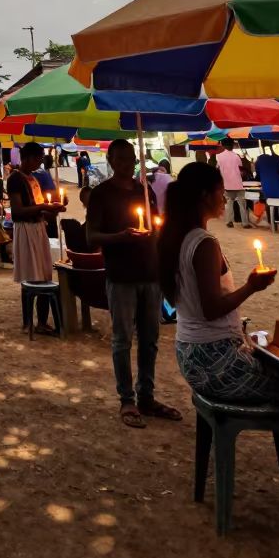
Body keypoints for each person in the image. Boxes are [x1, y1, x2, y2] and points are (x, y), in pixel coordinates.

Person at [158, 161, 279, 403]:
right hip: (215, 359)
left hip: (189, 352)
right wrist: (251, 287)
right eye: (221, 192)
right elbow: (211, 310)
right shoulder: (203, 243)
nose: (225, 198)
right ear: (206, 196)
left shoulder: (173, 237)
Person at [86, 139, 181, 429]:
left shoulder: (145, 190)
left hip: (149, 273)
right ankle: (126, 398)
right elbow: (92, 238)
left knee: (150, 340)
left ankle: (147, 396)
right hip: (122, 275)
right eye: (122, 159)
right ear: (111, 161)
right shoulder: (102, 194)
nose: (128, 164)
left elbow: (153, 225)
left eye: (131, 158)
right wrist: (123, 236)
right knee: (122, 339)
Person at [9, 142, 65, 332]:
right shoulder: (15, 179)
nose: (40, 162)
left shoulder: (32, 177)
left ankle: (41, 321)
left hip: (38, 227)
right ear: (28, 158)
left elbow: (39, 206)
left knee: (43, 274)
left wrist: (53, 209)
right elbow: (17, 211)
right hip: (26, 230)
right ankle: (31, 322)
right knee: (33, 277)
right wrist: (43, 208)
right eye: (39, 158)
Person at [217, 137, 250, 229]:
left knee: (228, 204)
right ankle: (245, 223)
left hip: (226, 184)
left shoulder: (219, 157)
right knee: (242, 204)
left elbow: (219, 169)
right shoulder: (236, 156)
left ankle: (229, 222)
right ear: (232, 146)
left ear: (222, 146)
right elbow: (241, 170)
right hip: (238, 184)